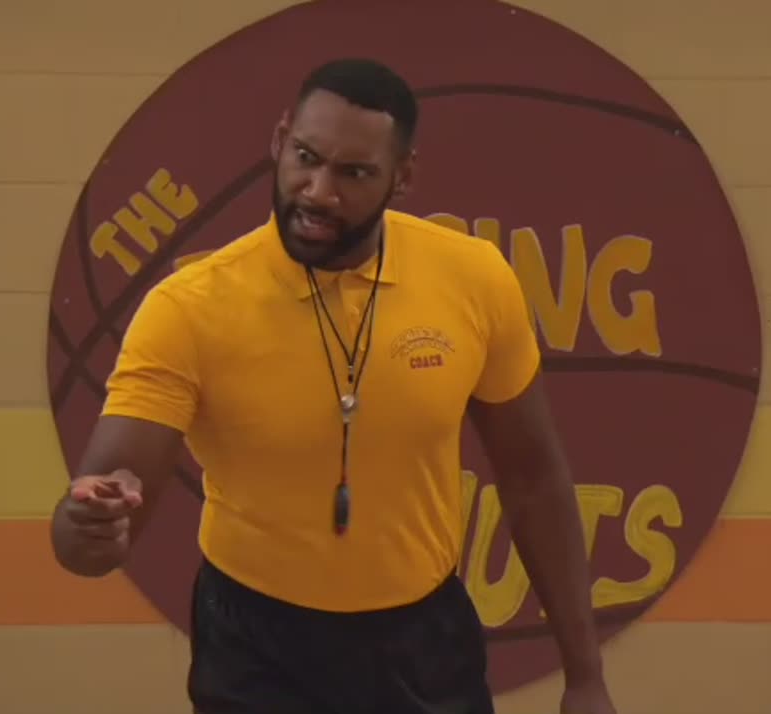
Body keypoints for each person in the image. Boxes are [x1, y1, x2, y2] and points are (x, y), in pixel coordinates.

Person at [49, 57, 619, 714]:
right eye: (306, 158)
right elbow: (86, 536)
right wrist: (92, 524)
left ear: (402, 176)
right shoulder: (189, 308)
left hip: (423, 641)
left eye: (354, 173)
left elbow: (533, 477)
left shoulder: (474, 278)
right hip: (256, 651)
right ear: (279, 139)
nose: (318, 191)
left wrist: (585, 676)